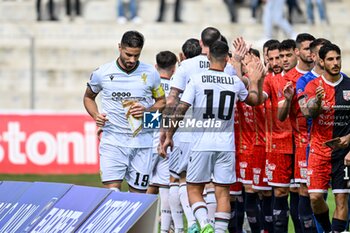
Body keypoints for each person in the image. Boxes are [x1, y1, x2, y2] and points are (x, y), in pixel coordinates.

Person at [162, 40, 265, 233]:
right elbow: (254, 100)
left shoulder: (198, 79)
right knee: (223, 193)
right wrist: (254, 81)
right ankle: (218, 231)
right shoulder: (234, 81)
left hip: (201, 143)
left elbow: (181, 109)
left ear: (208, 56)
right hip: (226, 146)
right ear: (227, 58)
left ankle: (204, 224)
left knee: (193, 189)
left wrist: (169, 135)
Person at [159, 27, 229, 233]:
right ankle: (214, 226)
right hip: (217, 130)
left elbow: (172, 100)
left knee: (181, 178)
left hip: (186, 128)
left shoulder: (186, 66)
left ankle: (188, 226)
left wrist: (165, 130)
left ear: (201, 43)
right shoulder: (225, 65)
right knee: (212, 184)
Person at [83, 31, 166, 193]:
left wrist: (147, 110)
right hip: (113, 141)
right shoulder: (102, 73)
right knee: (112, 194)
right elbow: (88, 97)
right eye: (128, 55)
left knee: (138, 198)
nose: (132, 60)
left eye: (136, 55)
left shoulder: (150, 73)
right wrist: (96, 115)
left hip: (142, 142)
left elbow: (162, 102)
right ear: (119, 48)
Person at [304, 43, 350, 233]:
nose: (335, 62)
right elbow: (308, 113)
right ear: (321, 62)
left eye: (338, 58)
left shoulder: (348, 85)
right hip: (319, 151)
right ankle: (328, 229)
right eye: (330, 59)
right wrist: (318, 101)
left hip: (343, 154)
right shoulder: (313, 86)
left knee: (341, 199)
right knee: (315, 198)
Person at [278, 33, 316, 232]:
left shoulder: (321, 74)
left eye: (313, 48)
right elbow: (281, 115)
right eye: (307, 48)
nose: (311, 52)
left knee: (320, 193)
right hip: (300, 142)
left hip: (322, 140)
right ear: (298, 51)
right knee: (303, 190)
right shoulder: (291, 79)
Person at [262, 39, 296, 233]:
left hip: (301, 143)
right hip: (278, 143)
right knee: (278, 191)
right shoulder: (270, 80)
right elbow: (258, 98)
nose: (277, 62)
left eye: (281, 57)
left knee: (304, 194)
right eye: (273, 58)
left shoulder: (301, 77)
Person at [147, 51, 177, 233]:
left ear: (156, 66)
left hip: (147, 141)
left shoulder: (149, 85)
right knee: (165, 186)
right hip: (166, 139)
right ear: (174, 69)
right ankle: (166, 229)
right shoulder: (176, 87)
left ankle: (138, 225)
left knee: (143, 186)